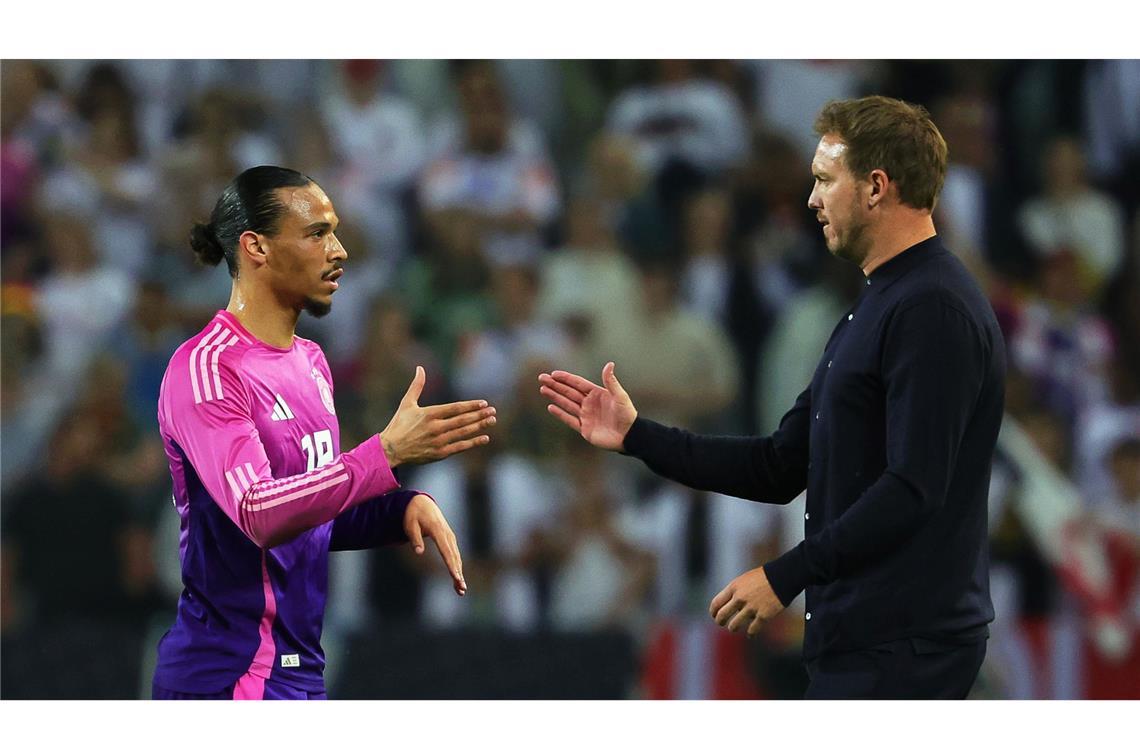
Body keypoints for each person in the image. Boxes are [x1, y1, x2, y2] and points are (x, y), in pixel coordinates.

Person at [539, 96, 1007, 699]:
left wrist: (785, 576)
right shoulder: (878, 305)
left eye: (823, 181)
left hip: (905, 647)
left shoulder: (932, 309)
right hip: (866, 644)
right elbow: (779, 464)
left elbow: (913, 487)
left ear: (875, 187)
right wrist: (637, 436)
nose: (810, 200)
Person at [152, 166, 497, 700]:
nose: (339, 251)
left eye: (334, 232)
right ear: (255, 247)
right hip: (229, 676)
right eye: (317, 233)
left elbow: (311, 511)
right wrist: (382, 454)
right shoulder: (207, 369)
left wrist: (396, 509)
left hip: (299, 671)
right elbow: (259, 513)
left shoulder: (312, 363)